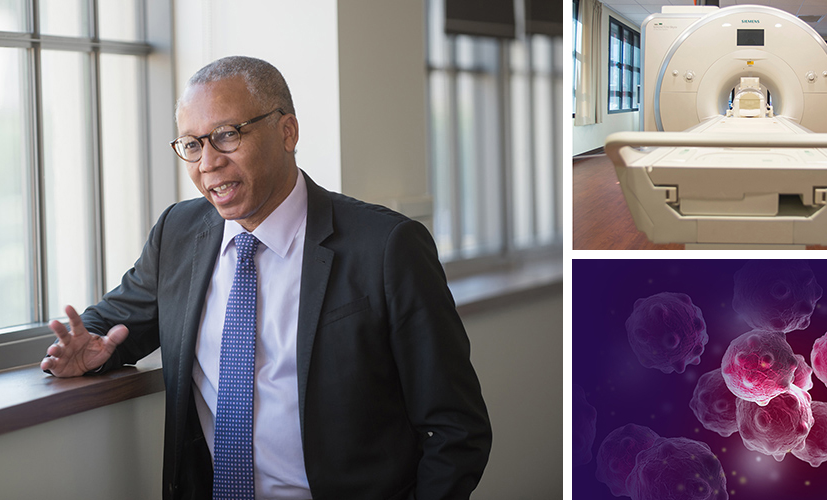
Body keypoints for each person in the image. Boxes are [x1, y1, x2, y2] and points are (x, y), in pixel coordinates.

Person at [40, 55, 492, 500]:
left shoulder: (387, 247)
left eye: (226, 135)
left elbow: (455, 428)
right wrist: (88, 350)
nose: (208, 163)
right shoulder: (177, 234)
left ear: (287, 132)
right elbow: (115, 321)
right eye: (192, 145)